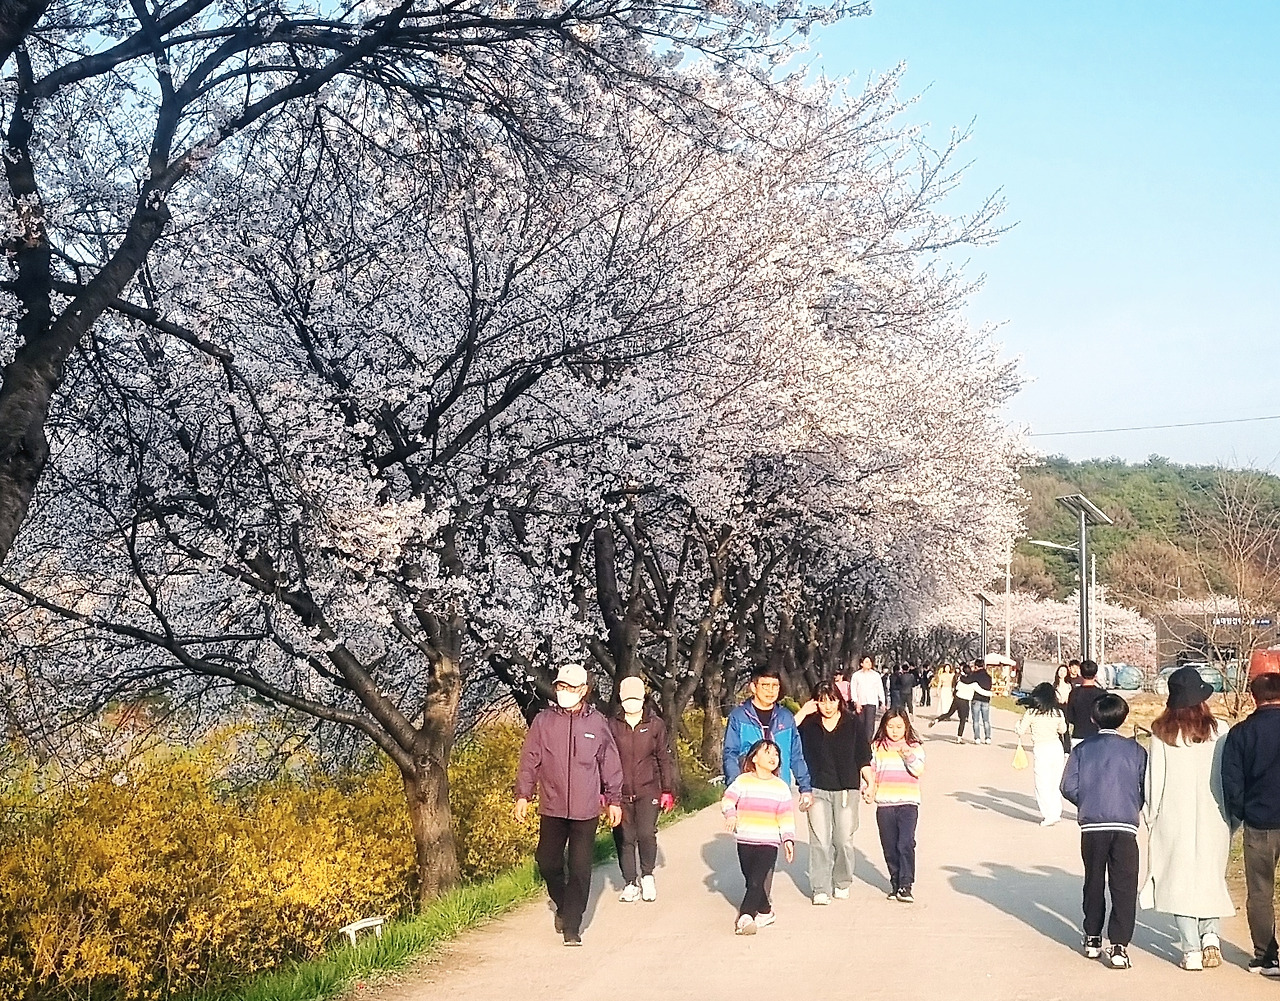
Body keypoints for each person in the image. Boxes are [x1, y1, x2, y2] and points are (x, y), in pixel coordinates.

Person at [514, 664, 623, 946]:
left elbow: (609, 763)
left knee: (580, 867)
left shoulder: (597, 723)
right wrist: (523, 794)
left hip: (585, 810)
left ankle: (572, 925)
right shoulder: (544, 721)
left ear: (583, 690)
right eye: (561, 686)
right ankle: (562, 904)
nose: (564, 692)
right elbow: (530, 759)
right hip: (552, 805)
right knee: (547, 861)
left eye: (571, 688)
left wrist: (614, 800)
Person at [1140, 666, 1234, 972]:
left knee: (1176, 880)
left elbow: (1155, 780)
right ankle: (1211, 937)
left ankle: (1191, 950)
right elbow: (1228, 775)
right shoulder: (1221, 730)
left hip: (1172, 814)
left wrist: (1151, 816)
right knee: (1209, 876)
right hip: (1214, 814)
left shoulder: (1162, 733)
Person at [1060, 693, 1147, 970]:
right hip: (1125, 825)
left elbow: (1067, 786)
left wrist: (1086, 800)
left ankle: (1093, 937)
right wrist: (1133, 803)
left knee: (1094, 881)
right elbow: (1145, 786)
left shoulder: (1082, 750)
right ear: (1123, 718)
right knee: (1124, 885)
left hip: (1092, 825)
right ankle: (1119, 945)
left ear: (1093, 718)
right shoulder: (1136, 750)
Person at [1221, 671, 1280, 976]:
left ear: (1253, 697)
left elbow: (1231, 781)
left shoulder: (1241, 733)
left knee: (1260, 892)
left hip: (1259, 821)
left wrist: (1242, 811)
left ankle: (1266, 956)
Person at [795, 681, 873, 904]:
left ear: (839, 700)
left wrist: (870, 783)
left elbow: (863, 756)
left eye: (832, 700)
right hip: (817, 788)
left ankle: (842, 881)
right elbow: (785, 735)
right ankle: (820, 887)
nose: (827, 706)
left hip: (847, 788)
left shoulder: (853, 723)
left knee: (843, 840)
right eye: (822, 701)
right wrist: (803, 712)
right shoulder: (808, 724)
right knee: (820, 841)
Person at [607, 676, 677, 904]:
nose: (631, 703)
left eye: (635, 698)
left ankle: (647, 876)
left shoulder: (655, 725)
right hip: (620, 791)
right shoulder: (612, 725)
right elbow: (606, 758)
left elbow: (663, 758)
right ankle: (630, 882)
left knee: (646, 833)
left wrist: (667, 789)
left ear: (643, 698)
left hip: (649, 789)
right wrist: (605, 791)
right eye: (627, 699)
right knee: (624, 837)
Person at [721, 739, 796, 935]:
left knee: (756, 880)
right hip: (745, 839)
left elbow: (786, 816)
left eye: (776, 754)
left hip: (769, 842)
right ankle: (766, 911)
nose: (773, 757)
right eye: (767, 752)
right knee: (751, 880)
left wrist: (788, 839)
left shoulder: (781, 787)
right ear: (754, 758)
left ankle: (745, 917)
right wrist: (731, 815)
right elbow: (728, 800)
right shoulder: (742, 781)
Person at [863, 708, 924, 902]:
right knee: (889, 846)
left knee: (905, 843)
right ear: (883, 726)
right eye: (890, 726)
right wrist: (869, 788)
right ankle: (895, 882)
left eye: (899, 726)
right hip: (885, 805)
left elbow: (919, 770)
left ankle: (906, 884)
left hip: (908, 804)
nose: (895, 731)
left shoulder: (914, 746)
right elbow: (871, 771)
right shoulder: (877, 747)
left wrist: (908, 756)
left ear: (906, 727)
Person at [1014, 682, 1068, 826]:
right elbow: (1063, 730)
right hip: (1056, 747)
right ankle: (1056, 812)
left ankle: (1049, 814)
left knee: (1042, 782)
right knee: (1055, 781)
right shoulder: (1058, 713)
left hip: (1041, 748)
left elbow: (1020, 730)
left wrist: (1017, 725)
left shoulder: (1031, 713)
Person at [1064, 659, 1108, 748]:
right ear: (1095, 674)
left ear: (1081, 673)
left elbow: (1070, 717)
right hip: (1098, 736)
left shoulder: (1074, 693)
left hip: (1078, 735)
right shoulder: (1103, 694)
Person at [850, 655, 887, 750]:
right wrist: (856, 702)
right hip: (860, 702)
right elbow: (853, 689)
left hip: (871, 702)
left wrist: (883, 701)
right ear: (861, 663)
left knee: (870, 725)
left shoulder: (875, 675)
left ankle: (868, 744)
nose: (869, 663)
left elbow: (880, 689)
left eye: (870, 662)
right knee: (860, 724)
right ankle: (860, 744)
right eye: (866, 662)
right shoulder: (856, 675)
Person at [966, 659, 995, 744]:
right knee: (986, 720)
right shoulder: (988, 676)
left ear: (976, 666)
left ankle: (977, 738)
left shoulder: (974, 675)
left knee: (976, 720)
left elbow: (967, 682)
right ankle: (988, 738)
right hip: (986, 700)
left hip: (976, 699)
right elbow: (989, 687)